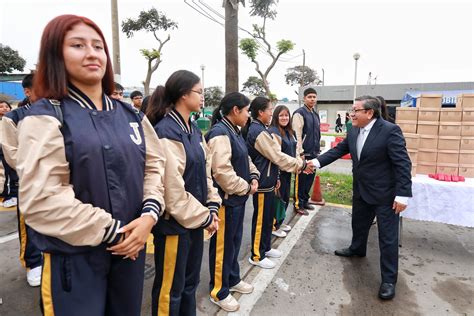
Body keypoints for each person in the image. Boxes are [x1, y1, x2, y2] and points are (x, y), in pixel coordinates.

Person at [11, 15, 166, 315]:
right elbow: (43, 200)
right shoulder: (45, 117)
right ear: (55, 54)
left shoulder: (131, 115)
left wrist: (149, 215)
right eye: (78, 45)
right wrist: (116, 232)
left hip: (130, 253)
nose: (92, 53)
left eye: (98, 46)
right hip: (75, 259)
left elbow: (154, 168)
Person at [313, 95, 412, 300]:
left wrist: (403, 195)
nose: (351, 113)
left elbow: (403, 164)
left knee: (387, 238)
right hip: (361, 190)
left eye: (355, 110)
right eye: (352, 109)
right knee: (358, 223)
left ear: (369, 112)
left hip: (385, 194)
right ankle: (357, 249)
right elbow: (339, 150)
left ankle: (388, 280)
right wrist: (315, 163)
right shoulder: (353, 128)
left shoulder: (390, 131)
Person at [146, 70, 221, 316]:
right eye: (200, 92)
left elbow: (205, 172)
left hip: (194, 222)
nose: (203, 97)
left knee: (190, 285)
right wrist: (206, 216)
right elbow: (172, 192)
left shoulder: (193, 129)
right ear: (183, 94)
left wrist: (211, 206)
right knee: (171, 290)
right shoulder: (167, 132)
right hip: (173, 227)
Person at [206, 92, 259, 312]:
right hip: (227, 202)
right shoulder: (220, 133)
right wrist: (246, 187)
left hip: (238, 199)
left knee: (234, 243)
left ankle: (233, 278)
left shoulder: (234, 131)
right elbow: (222, 172)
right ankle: (218, 290)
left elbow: (245, 159)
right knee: (222, 247)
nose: (249, 115)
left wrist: (254, 175)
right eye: (247, 111)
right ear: (236, 111)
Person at [246, 96, 313, 269]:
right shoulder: (258, 130)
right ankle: (256, 255)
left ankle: (265, 247)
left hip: (268, 181)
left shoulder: (262, 128)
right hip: (261, 183)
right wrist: (301, 164)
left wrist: (276, 177)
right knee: (261, 220)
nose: (271, 113)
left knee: (268, 219)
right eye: (270, 110)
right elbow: (277, 156)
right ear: (261, 112)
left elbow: (274, 159)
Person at [1, 74, 43, 287]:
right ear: (27, 91)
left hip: (60, 181)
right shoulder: (14, 117)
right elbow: (11, 152)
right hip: (30, 181)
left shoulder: (59, 112)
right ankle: (33, 262)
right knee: (30, 223)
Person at [291, 87, 321, 215]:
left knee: (309, 179)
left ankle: (305, 201)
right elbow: (296, 134)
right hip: (303, 153)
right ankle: (298, 204)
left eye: (314, 96)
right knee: (301, 179)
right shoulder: (299, 113)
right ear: (304, 98)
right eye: (309, 97)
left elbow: (317, 133)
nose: (312, 99)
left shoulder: (315, 114)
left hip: (314, 153)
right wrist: (300, 153)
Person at [269, 105, 296, 238]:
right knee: (278, 200)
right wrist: (277, 175)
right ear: (276, 117)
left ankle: (280, 222)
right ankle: (274, 225)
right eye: (281, 115)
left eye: (286, 115)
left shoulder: (290, 132)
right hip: (279, 172)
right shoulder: (274, 132)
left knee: (285, 198)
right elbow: (276, 156)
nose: (285, 118)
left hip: (288, 171)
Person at [0, 100, 18, 208]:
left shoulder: (13, 119)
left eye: (6, 106)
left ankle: (13, 195)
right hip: (1, 151)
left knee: (13, 173)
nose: (4, 108)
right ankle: (4, 193)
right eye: (1, 106)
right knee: (3, 174)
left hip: (10, 150)